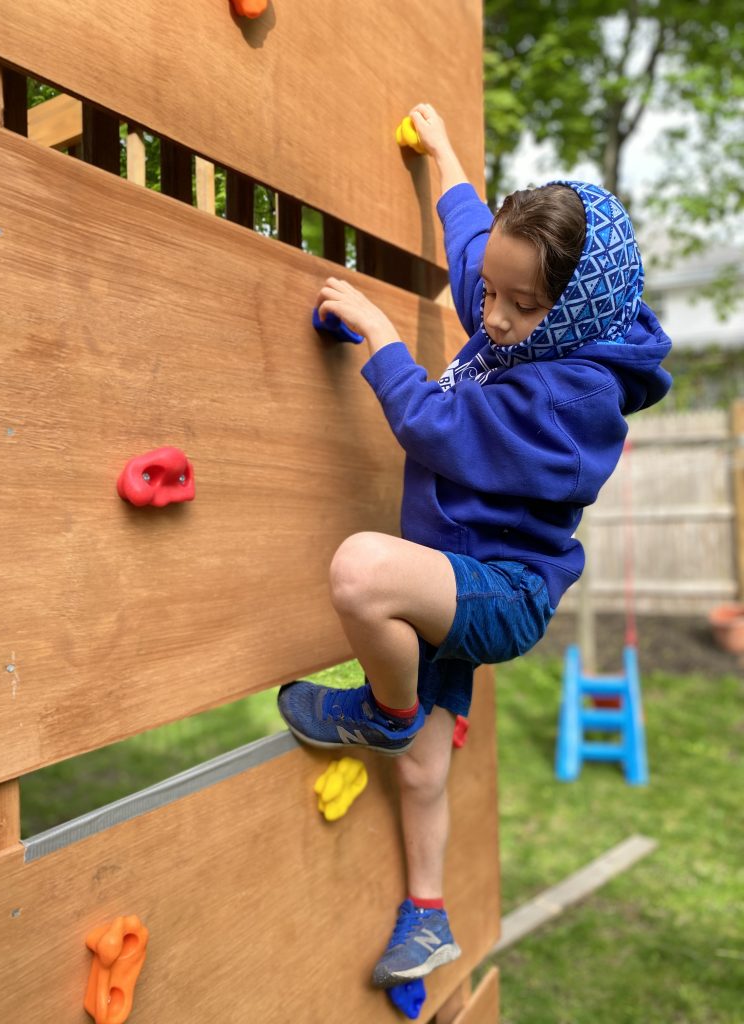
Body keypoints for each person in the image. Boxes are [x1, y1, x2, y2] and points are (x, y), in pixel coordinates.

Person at [278, 102, 672, 988]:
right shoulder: (516, 306)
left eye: (516, 304)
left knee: (359, 571)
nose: (488, 316)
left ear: (571, 313)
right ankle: (427, 918)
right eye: (490, 292)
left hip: (499, 590)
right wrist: (444, 153)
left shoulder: (573, 397)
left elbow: (432, 421)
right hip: (448, 576)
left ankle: (383, 711)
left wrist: (381, 338)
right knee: (423, 771)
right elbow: (470, 243)